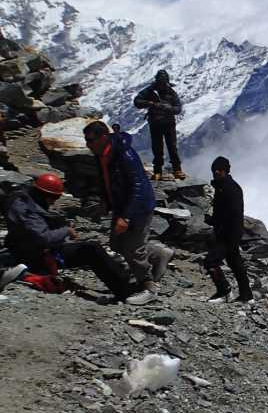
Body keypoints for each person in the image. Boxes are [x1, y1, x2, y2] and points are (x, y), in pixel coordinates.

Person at [3, 173, 132, 301]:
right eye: (53, 198)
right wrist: (66, 231)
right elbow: (44, 238)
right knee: (91, 250)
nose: (53, 202)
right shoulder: (25, 208)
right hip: (33, 256)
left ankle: (123, 283)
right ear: (44, 194)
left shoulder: (28, 201)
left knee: (91, 249)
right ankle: (124, 290)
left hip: (37, 251)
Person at [83, 120, 170, 305]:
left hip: (138, 206)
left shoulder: (124, 154)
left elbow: (138, 186)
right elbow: (108, 181)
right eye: (86, 140)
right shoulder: (102, 154)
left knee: (131, 248)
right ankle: (158, 254)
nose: (87, 144)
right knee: (116, 244)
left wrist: (127, 217)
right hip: (122, 205)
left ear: (103, 138)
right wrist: (107, 202)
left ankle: (149, 287)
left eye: (91, 140)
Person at [203, 156, 252, 302]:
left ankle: (224, 291)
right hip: (230, 232)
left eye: (219, 170)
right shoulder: (223, 186)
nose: (216, 172)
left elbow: (232, 212)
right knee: (235, 262)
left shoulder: (229, 188)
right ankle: (246, 294)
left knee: (210, 262)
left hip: (228, 233)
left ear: (225, 171)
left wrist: (216, 222)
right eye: (214, 170)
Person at [133, 69, 185, 181]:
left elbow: (178, 108)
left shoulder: (171, 92)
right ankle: (158, 171)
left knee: (172, 147)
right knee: (157, 148)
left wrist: (168, 108)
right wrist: (150, 103)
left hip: (168, 123)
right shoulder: (150, 91)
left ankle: (177, 169)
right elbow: (137, 101)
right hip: (155, 123)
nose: (161, 85)